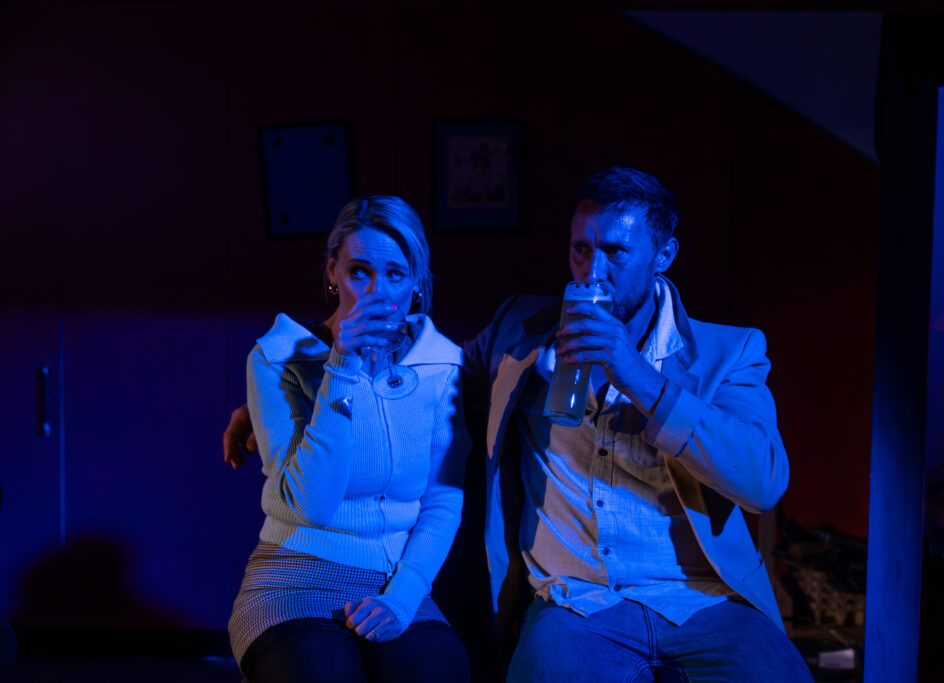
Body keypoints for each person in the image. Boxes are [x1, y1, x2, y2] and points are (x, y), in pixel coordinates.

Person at [226, 169, 811, 682]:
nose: (593, 272)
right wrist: (280, 395)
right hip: (575, 602)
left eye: (615, 252)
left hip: (702, 600)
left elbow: (762, 483)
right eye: (580, 250)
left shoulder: (729, 353)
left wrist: (635, 374)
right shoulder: (522, 330)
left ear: (663, 255)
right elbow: (432, 381)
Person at [227, 195, 471, 683]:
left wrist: (402, 598)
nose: (377, 292)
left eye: (395, 274)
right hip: (295, 573)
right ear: (333, 273)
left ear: (416, 283)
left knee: (439, 672)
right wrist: (342, 367)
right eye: (360, 272)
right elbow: (313, 506)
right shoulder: (277, 357)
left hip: (396, 580)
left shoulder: (442, 364)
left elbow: (442, 500)